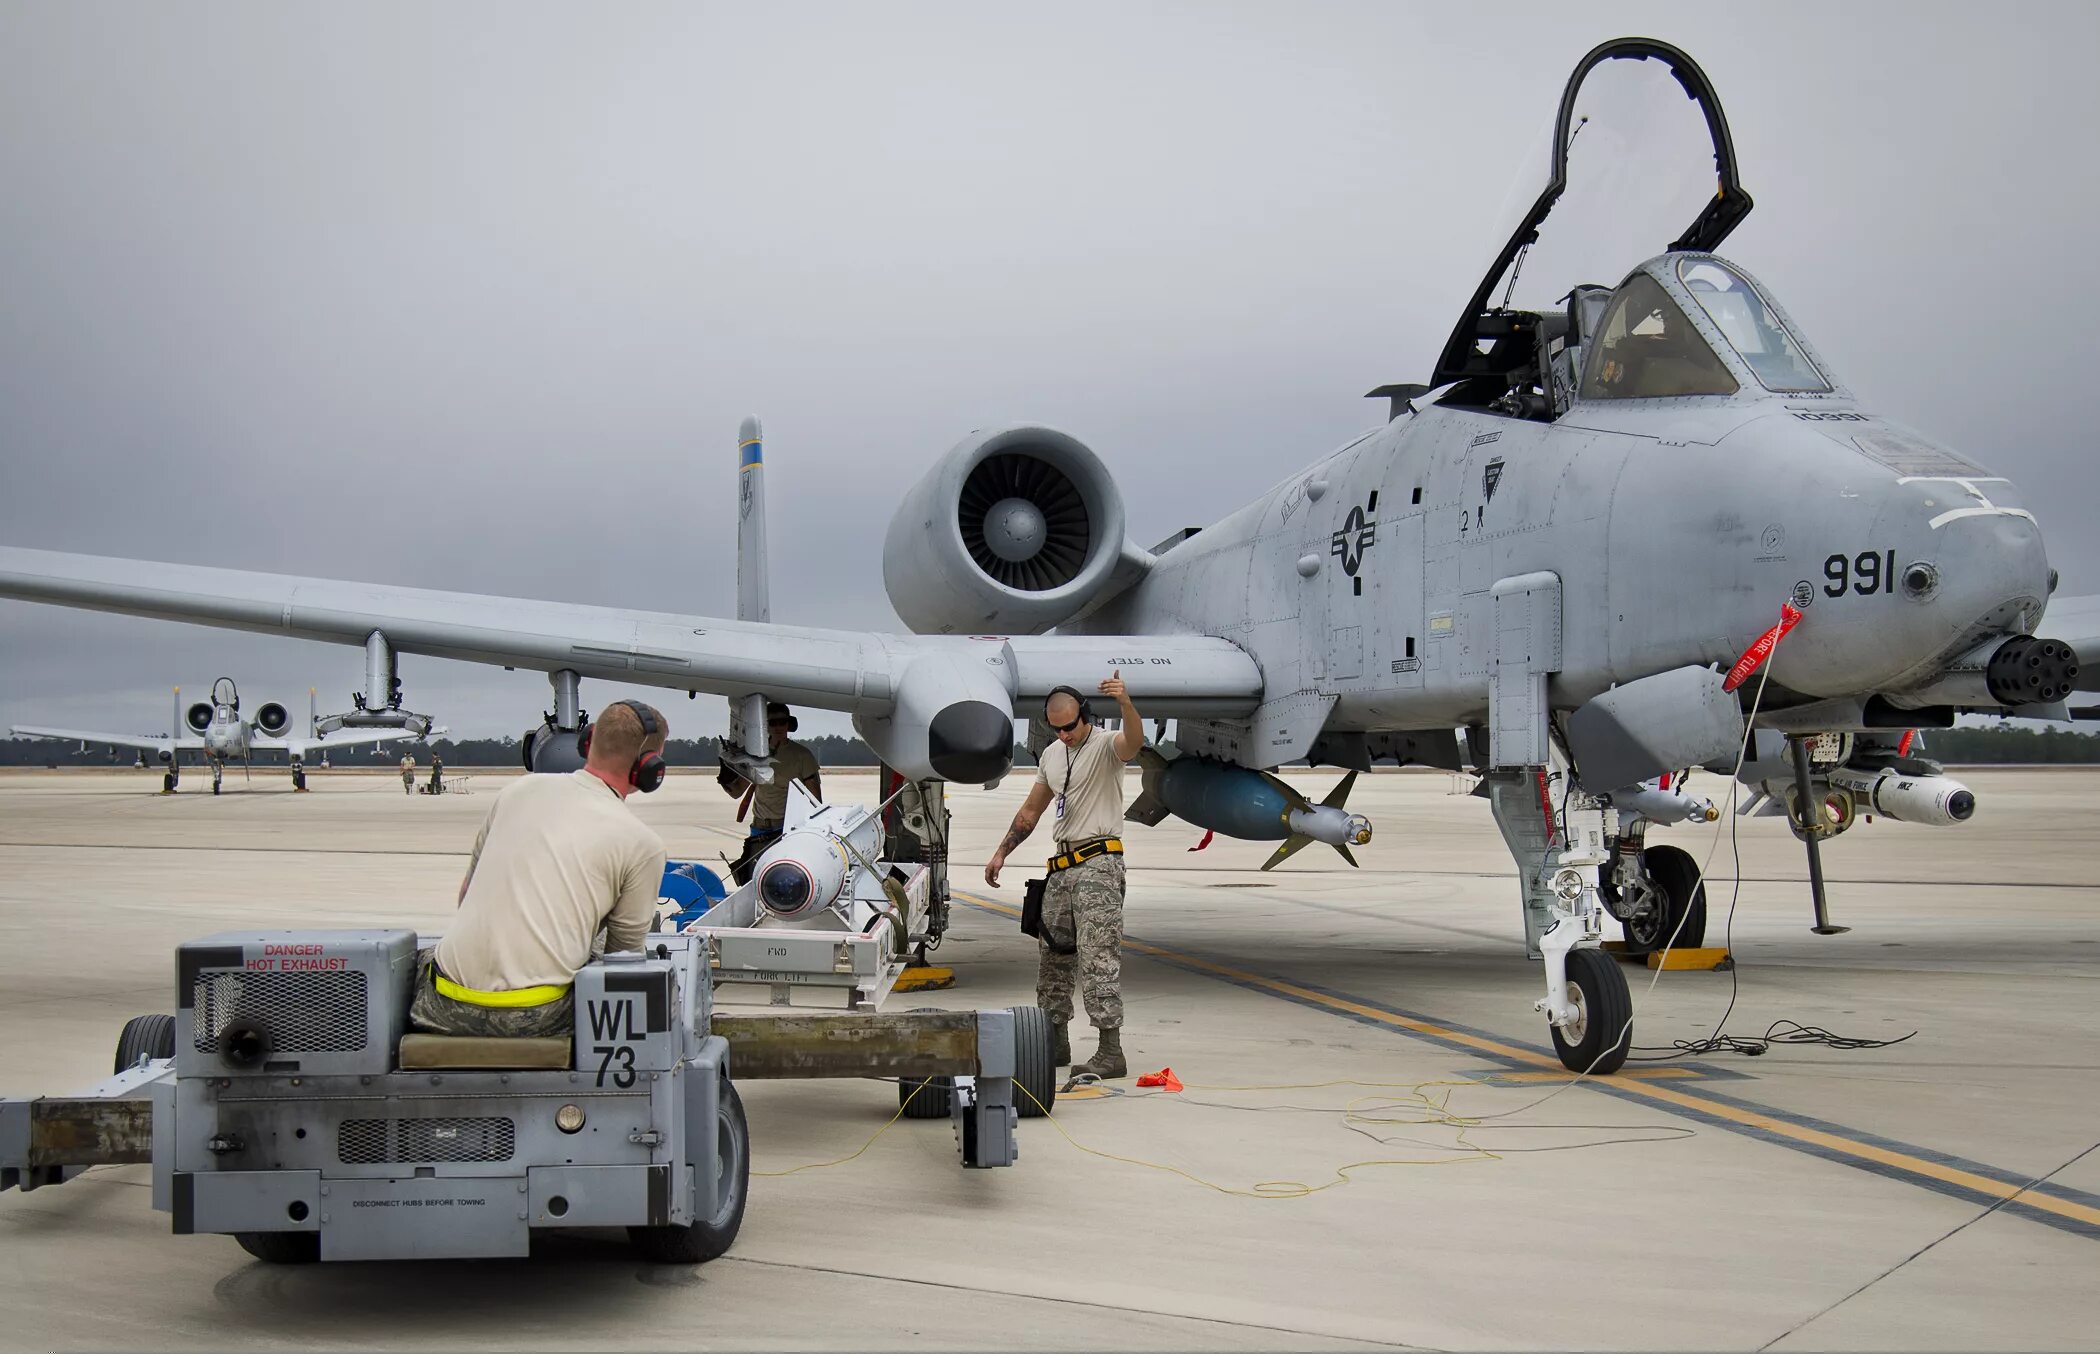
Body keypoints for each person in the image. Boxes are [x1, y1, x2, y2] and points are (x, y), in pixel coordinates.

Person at [408, 701, 670, 1038]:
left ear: (588, 743)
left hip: (443, 1006)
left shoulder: (515, 792)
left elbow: (466, 894)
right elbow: (622, 962)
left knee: (426, 957)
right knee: (604, 942)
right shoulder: (643, 844)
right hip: (540, 1017)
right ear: (648, 768)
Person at [985, 672, 1142, 1079]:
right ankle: (1054, 1041)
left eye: (1070, 726)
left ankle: (1111, 1050)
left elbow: (1134, 742)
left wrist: (1126, 704)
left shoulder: (1107, 745)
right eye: (1057, 728)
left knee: (1098, 957)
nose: (1065, 734)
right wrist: (1002, 851)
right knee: (1053, 957)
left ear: (1086, 716)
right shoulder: (1052, 755)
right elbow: (1031, 811)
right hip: (1061, 867)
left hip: (1098, 865)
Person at [716, 702, 822, 884]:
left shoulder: (802, 756)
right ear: (765, 726)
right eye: (773, 723)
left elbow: (816, 802)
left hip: (786, 831)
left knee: (785, 882)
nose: (779, 727)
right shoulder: (755, 753)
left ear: (789, 724)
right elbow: (736, 792)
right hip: (759, 831)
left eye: (783, 722)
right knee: (754, 883)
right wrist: (725, 776)